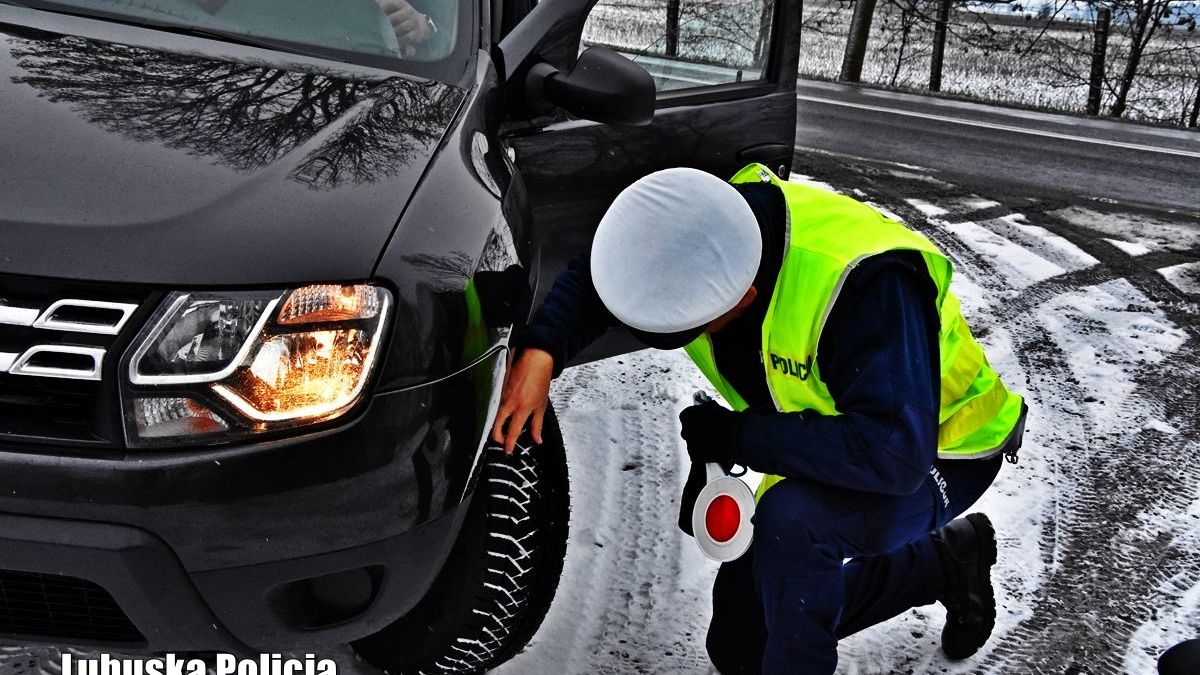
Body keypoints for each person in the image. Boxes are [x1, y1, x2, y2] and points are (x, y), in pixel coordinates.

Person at [492, 163, 1028, 674]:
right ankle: (945, 562)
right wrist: (543, 350)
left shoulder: (867, 285)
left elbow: (890, 454)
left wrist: (737, 437)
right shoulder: (712, 222)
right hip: (847, 433)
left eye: (698, 326)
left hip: (940, 447)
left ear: (744, 296)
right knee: (743, 649)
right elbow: (619, 267)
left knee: (794, 525)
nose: (697, 337)